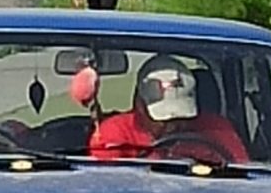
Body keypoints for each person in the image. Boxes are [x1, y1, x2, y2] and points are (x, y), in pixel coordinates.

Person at [87, 56, 249, 163]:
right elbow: (106, 189)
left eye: (181, 118)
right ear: (140, 105)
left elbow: (244, 175)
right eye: (162, 120)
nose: (173, 127)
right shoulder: (114, 134)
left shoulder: (216, 128)